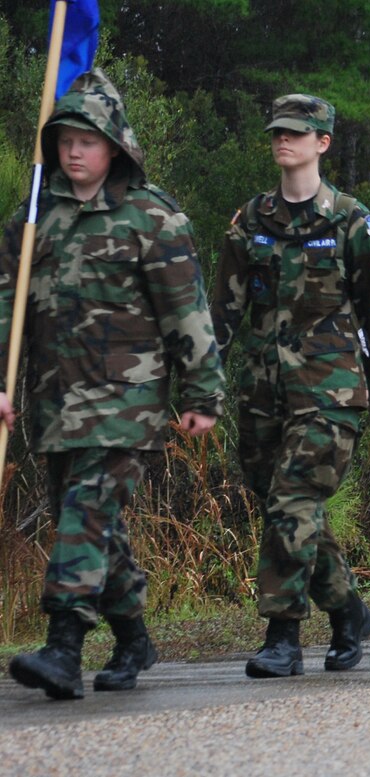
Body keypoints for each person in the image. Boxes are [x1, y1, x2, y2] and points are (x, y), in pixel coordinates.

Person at [1, 69, 226, 699]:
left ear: (116, 146)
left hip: (127, 403)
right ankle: (133, 637)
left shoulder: (152, 218)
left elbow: (188, 311)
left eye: (88, 140)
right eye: (65, 139)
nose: (75, 151)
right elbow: (6, 307)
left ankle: (63, 648)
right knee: (97, 526)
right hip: (55, 402)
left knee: (83, 513)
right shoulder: (32, 218)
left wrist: (203, 394)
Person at [212, 94, 370, 677]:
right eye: (276, 132)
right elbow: (222, 311)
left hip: (331, 392)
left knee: (293, 501)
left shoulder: (347, 219)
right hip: (262, 394)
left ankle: (283, 636)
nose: (282, 141)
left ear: (322, 142)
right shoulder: (251, 219)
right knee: (285, 508)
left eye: (295, 133)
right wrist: (199, 379)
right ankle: (346, 609)